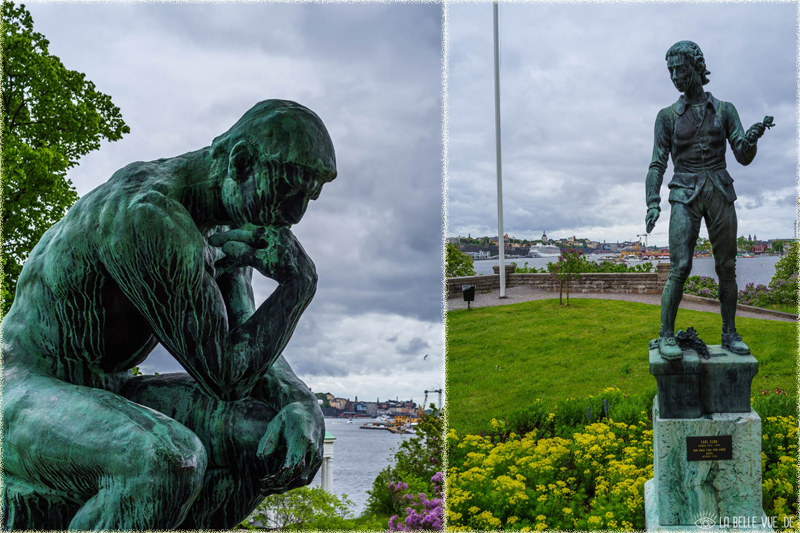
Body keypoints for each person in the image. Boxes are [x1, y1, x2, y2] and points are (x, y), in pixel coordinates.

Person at [2, 99, 336, 529]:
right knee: (163, 463)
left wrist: (302, 406)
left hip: (110, 386)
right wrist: (298, 286)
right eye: (286, 190)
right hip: (24, 386)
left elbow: (250, 346)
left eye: (307, 197)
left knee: (271, 439)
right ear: (241, 162)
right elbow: (228, 375)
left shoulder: (221, 227)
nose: (294, 216)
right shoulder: (149, 215)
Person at [644, 41, 772, 360]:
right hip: (684, 193)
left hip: (719, 189)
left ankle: (729, 334)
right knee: (680, 266)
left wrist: (752, 139)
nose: (675, 76)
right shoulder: (667, 117)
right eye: (670, 70)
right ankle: (665, 335)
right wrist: (652, 202)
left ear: (698, 67)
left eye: (681, 69)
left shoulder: (725, 110)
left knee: (726, 267)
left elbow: (742, 155)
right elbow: (657, 163)